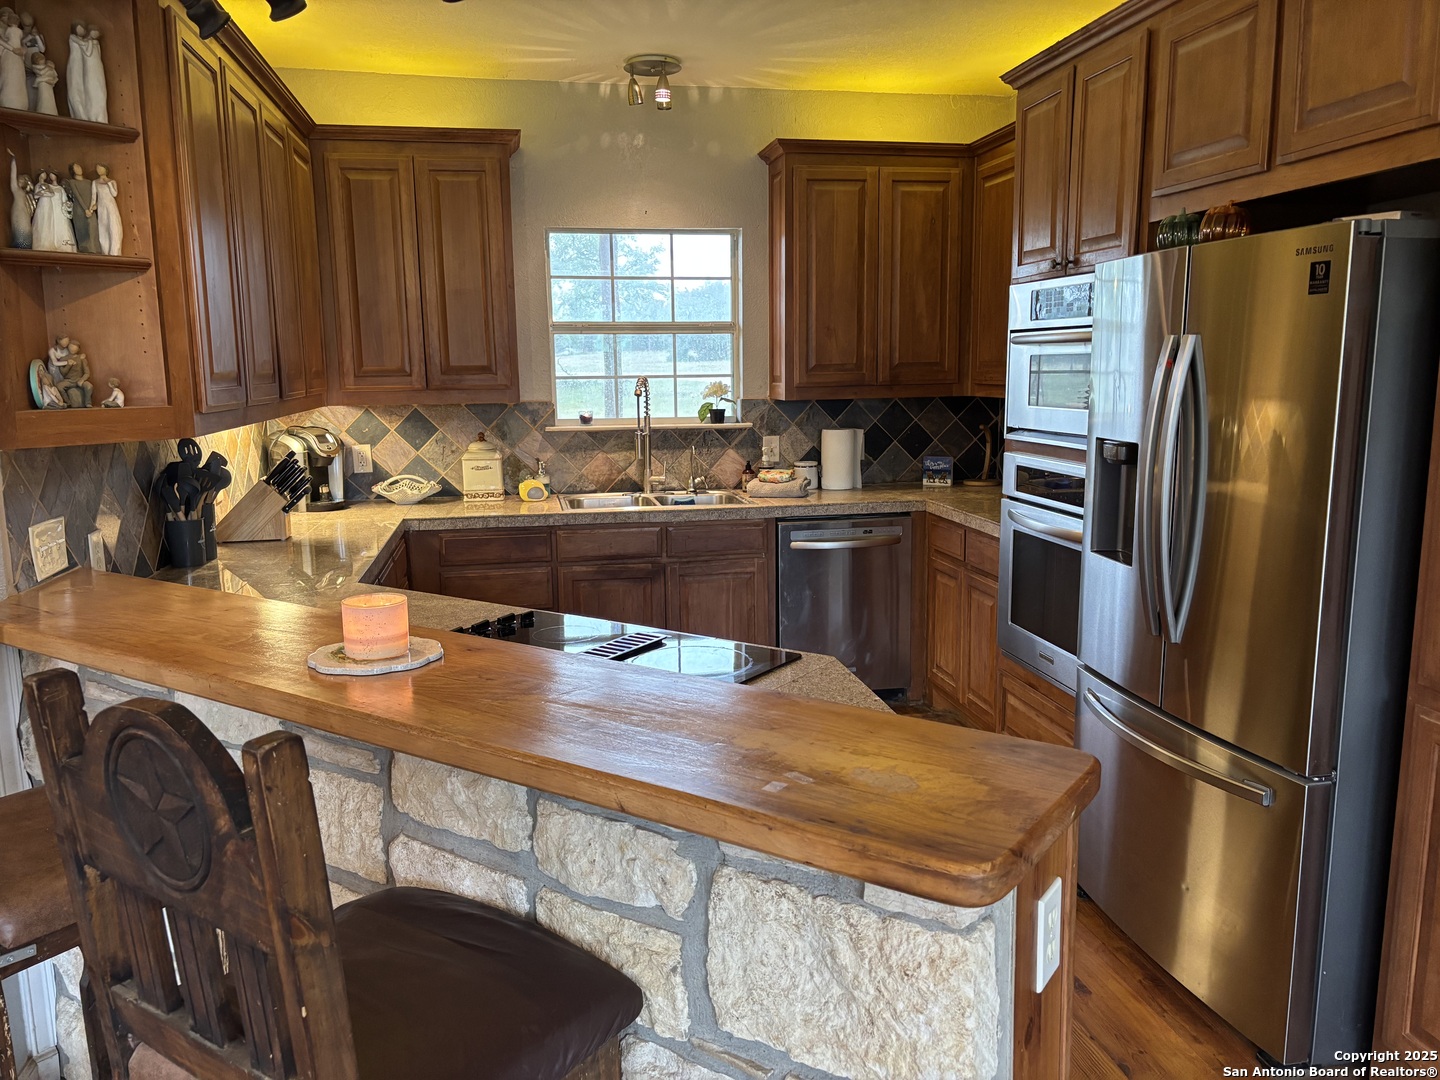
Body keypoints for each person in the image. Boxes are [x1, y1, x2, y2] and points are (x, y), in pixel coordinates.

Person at [62, 163, 95, 253]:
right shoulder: (72, 182)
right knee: (83, 230)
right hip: (80, 210)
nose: (79, 168)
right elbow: (78, 196)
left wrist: (93, 206)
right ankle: (84, 249)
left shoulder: (89, 182)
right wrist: (86, 209)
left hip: (91, 209)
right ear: (73, 171)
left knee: (93, 228)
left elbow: (93, 195)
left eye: (79, 166)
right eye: (76, 167)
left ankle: (95, 249)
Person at [0, 11, 28, 111]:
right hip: (10, 56)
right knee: (8, 77)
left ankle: (17, 103)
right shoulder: (16, 31)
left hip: (14, 57)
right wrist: (14, 49)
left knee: (16, 77)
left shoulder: (9, 31)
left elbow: (23, 45)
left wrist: (22, 51)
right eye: (4, 16)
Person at [91, 163, 120, 255]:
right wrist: (92, 206)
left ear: (105, 169)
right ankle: (105, 252)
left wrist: (109, 184)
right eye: (97, 168)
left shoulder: (112, 181)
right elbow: (93, 197)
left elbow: (114, 194)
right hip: (101, 207)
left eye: (100, 168)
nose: (99, 170)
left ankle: (114, 252)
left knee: (113, 226)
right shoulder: (95, 182)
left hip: (111, 206)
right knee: (103, 228)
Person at [8, 148, 33, 248]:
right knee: (19, 228)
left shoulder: (26, 194)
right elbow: (13, 176)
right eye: (19, 180)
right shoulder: (15, 189)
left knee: (27, 228)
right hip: (18, 211)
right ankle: (20, 245)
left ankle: (26, 245)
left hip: (25, 213)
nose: (20, 181)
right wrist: (13, 160)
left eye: (22, 180)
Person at [81, 25, 105, 124]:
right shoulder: (87, 42)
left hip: (97, 67)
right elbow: (87, 53)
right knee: (91, 90)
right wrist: (89, 42)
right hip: (90, 68)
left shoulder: (96, 43)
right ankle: (92, 116)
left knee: (100, 90)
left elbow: (98, 54)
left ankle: (101, 116)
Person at [65, 22, 86, 120]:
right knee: (74, 88)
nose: (81, 31)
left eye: (82, 29)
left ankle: (84, 113)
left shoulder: (83, 40)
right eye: (79, 28)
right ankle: (78, 114)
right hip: (75, 64)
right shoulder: (73, 37)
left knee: (82, 88)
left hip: (82, 65)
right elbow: (82, 44)